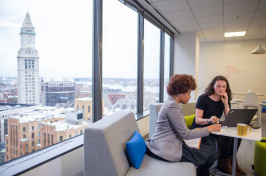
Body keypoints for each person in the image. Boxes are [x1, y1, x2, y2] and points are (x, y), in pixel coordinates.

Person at [146, 74, 221, 176]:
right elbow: (186, 134)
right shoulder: (173, 107)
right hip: (165, 149)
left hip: (170, 143)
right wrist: (209, 129)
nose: (190, 96)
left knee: (209, 151)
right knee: (210, 153)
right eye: (189, 93)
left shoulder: (172, 103)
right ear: (179, 92)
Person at [190, 75, 246, 176]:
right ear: (213, 86)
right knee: (226, 135)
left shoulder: (224, 99)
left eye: (224, 86)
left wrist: (226, 103)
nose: (221, 89)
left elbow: (229, 119)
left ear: (226, 88)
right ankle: (224, 162)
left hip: (215, 127)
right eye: (218, 86)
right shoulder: (203, 98)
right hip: (202, 127)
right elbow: (197, 120)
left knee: (237, 133)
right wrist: (209, 120)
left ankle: (232, 161)